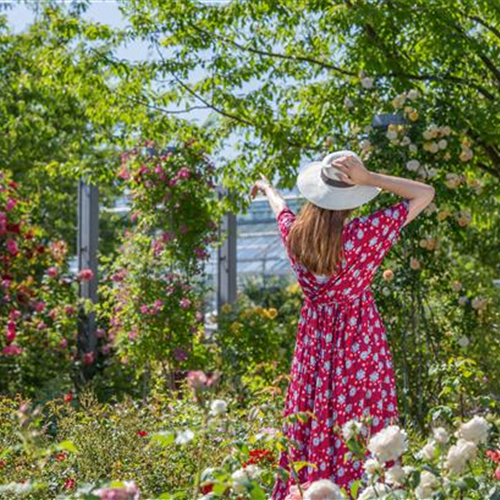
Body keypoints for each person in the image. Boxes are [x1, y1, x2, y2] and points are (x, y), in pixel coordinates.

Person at [250, 150, 435, 499]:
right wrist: (370, 179)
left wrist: (267, 188)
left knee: (312, 416)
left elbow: (281, 211)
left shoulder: (297, 238)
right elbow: (425, 193)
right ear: (350, 199)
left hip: (314, 349)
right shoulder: (364, 234)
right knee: (363, 422)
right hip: (358, 345)